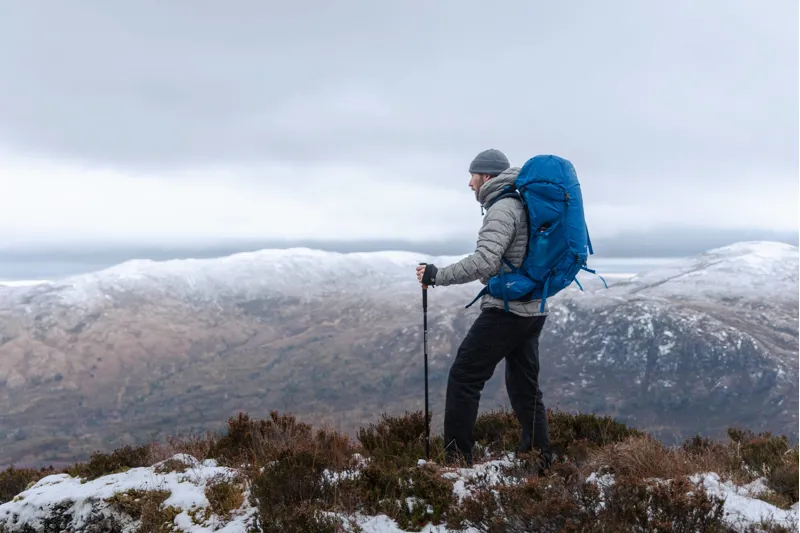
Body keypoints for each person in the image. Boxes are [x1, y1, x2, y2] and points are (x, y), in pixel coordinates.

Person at [416, 148, 552, 469]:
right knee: (523, 386)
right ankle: (539, 458)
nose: (469, 183)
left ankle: (457, 459)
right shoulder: (521, 205)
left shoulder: (503, 209)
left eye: (473, 176)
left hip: (506, 311)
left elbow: (485, 261)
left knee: (464, 376)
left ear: (487, 177)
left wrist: (437, 276)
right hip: (532, 309)